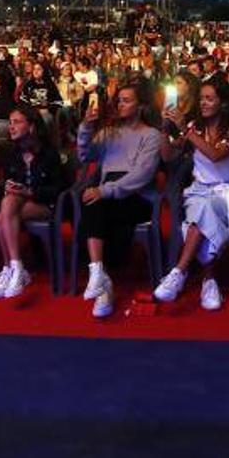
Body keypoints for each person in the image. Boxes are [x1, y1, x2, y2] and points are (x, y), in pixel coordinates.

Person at [153, 81, 229, 311]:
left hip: (227, 194)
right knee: (203, 207)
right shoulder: (196, 126)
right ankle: (208, 280)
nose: (203, 103)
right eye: (202, 98)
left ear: (223, 102)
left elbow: (216, 155)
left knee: (203, 210)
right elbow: (167, 156)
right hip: (199, 191)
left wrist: (187, 131)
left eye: (209, 98)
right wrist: (165, 129)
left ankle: (180, 271)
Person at [75, 80, 163, 318]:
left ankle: (101, 278)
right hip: (108, 195)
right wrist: (85, 127)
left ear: (140, 106)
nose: (120, 105)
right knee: (92, 202)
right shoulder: (109, 132)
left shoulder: (152, 135)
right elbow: (84, 155)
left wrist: (106, 190)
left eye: (126, 100)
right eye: (119, 100)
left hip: (138, 196)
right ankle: (99, 276)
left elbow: (142, 175)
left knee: (95, 202)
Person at [0, 103, 65, 300]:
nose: (10, 127)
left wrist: (28, 191)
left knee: (4, 213)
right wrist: (10, 188)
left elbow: (57, 191)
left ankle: (14, 267)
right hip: (19, 205)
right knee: (1, 216)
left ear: (31, 127)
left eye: (17, 122)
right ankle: (12, 268)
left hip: (46, 205)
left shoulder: (49, 154)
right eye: (10, 122)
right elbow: (8, 184)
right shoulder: (12, 154)